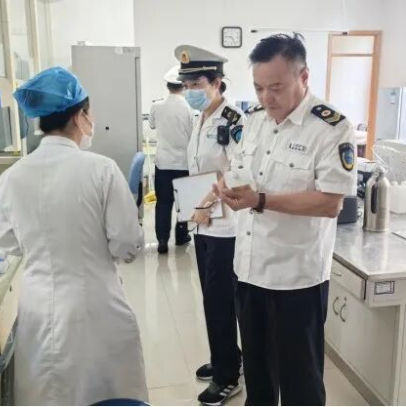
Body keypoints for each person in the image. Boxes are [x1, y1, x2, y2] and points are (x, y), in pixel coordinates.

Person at [215, 34, 357, 406]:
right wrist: (227, 187)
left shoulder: (331, 128)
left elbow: (330, 203)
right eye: (259, 88)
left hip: (297, 279)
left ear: (303, 76)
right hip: (249, 270)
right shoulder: (254, 120)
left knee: (301, 384)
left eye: (276, 87)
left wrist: (260, 200)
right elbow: (241, 170)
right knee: (258, 378)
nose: (266, 97)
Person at [0, 67, 147, 406]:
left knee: (48, 394)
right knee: (106, 394)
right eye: (89, 113)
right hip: (95, 305)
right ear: (80, 116)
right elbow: (126, 243)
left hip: (37, 308)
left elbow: (9, 244)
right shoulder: (101, 169)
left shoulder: (10, 178)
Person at [175, 45, 245, 406]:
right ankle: (226, 357)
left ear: (217, 82)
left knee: (219, 301)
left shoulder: (234, 121)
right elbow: (199, 169)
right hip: (204, 224)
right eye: (186, 85)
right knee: (211, 298)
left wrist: (205, 203)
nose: (190, 91)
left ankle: (227, 376)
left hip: (225, 227)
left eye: (197, 84)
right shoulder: (200, 118)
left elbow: (238, 172)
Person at [148, 66, 195, 254]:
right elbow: (193, 134)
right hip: (184, 163)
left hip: (163, 163)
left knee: (163, 203)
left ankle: (162, 241)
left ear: (167, 86)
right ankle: (181, 236)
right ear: (184, 86)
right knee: (183, 204)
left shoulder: (156, 106)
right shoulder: (189, 108)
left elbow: (152, 125)